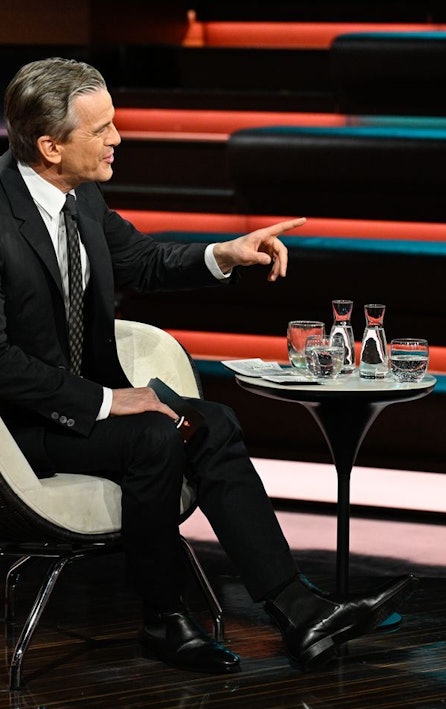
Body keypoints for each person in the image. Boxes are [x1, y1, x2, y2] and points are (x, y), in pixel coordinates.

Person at [0, 57, 416, 676]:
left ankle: (298, 611)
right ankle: (162, 617)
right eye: (102, 129)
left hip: (92, 408)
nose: (118, 139)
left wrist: (224, 254)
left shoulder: (80, 198)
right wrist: (109, 402)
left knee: (213, 422)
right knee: (150, 436)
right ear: (50, 146)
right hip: (26, 426)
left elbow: (140, 259)